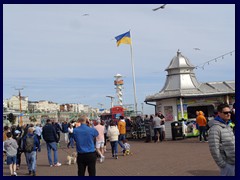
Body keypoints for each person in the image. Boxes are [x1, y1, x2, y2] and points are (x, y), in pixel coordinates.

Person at [208, 103, 235, 176]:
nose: (229, 114)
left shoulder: (228, 125)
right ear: (219, 113)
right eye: (226, 113)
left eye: (230, 112)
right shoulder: (215, 128)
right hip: (228, 165)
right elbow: (214, 148)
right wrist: (222, 164)